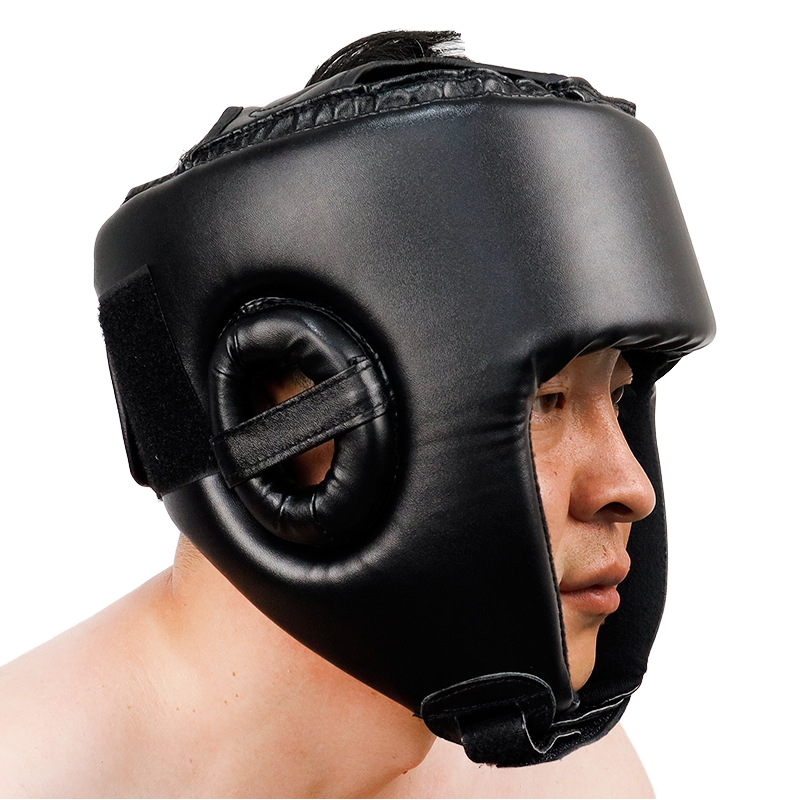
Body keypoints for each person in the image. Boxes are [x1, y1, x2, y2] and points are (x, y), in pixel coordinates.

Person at [0, 30, 713, 798]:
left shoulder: (570, 783)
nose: (630, 488)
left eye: (617, 396)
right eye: (545, 400)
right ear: (271, 437)